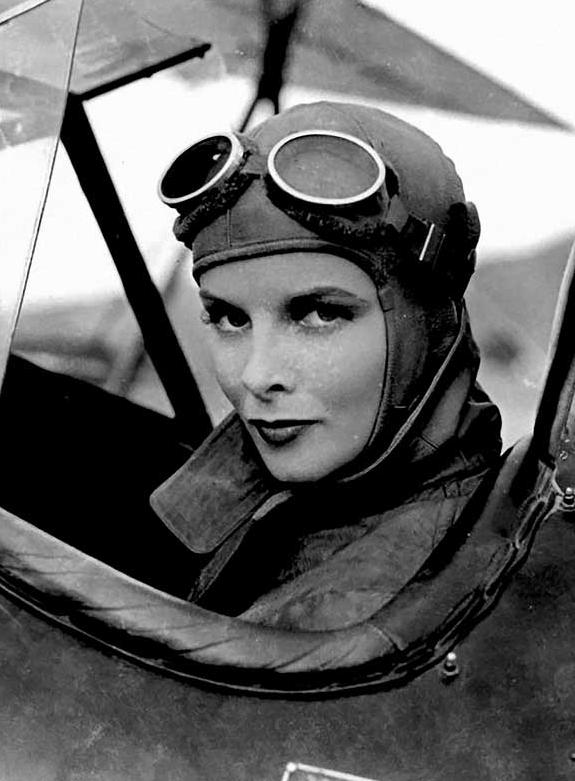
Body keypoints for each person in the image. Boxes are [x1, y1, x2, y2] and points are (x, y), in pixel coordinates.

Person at [148, 101, 502, 631]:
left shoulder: (344, 616)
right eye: (228, 318)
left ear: (428, 322)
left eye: (319, 313)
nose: (255, 375)